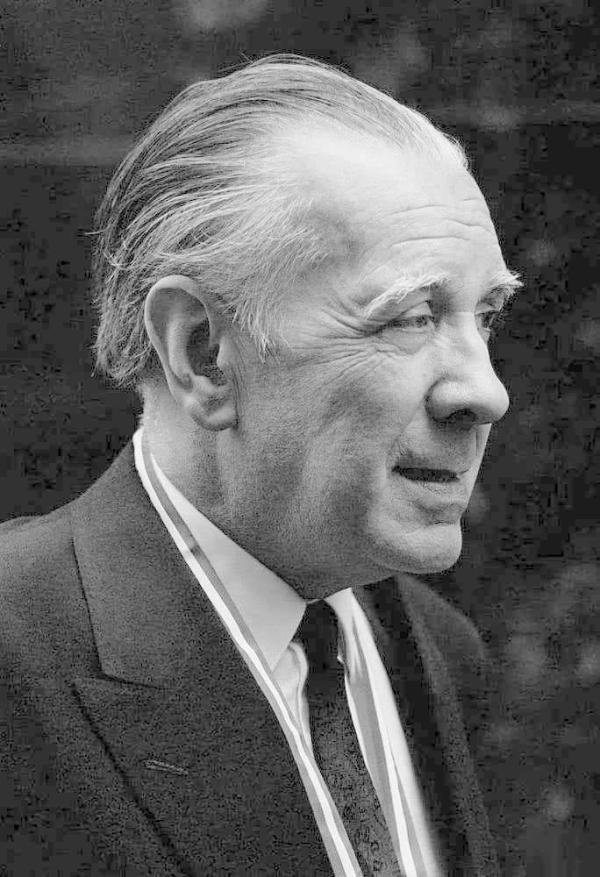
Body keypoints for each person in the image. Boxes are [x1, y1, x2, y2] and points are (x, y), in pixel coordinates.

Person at [0, 54, 521, 876]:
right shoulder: (17, 659)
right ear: (203, 354)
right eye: (411, 317)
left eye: (485, 315)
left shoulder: (441, 654)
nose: (486, 392)